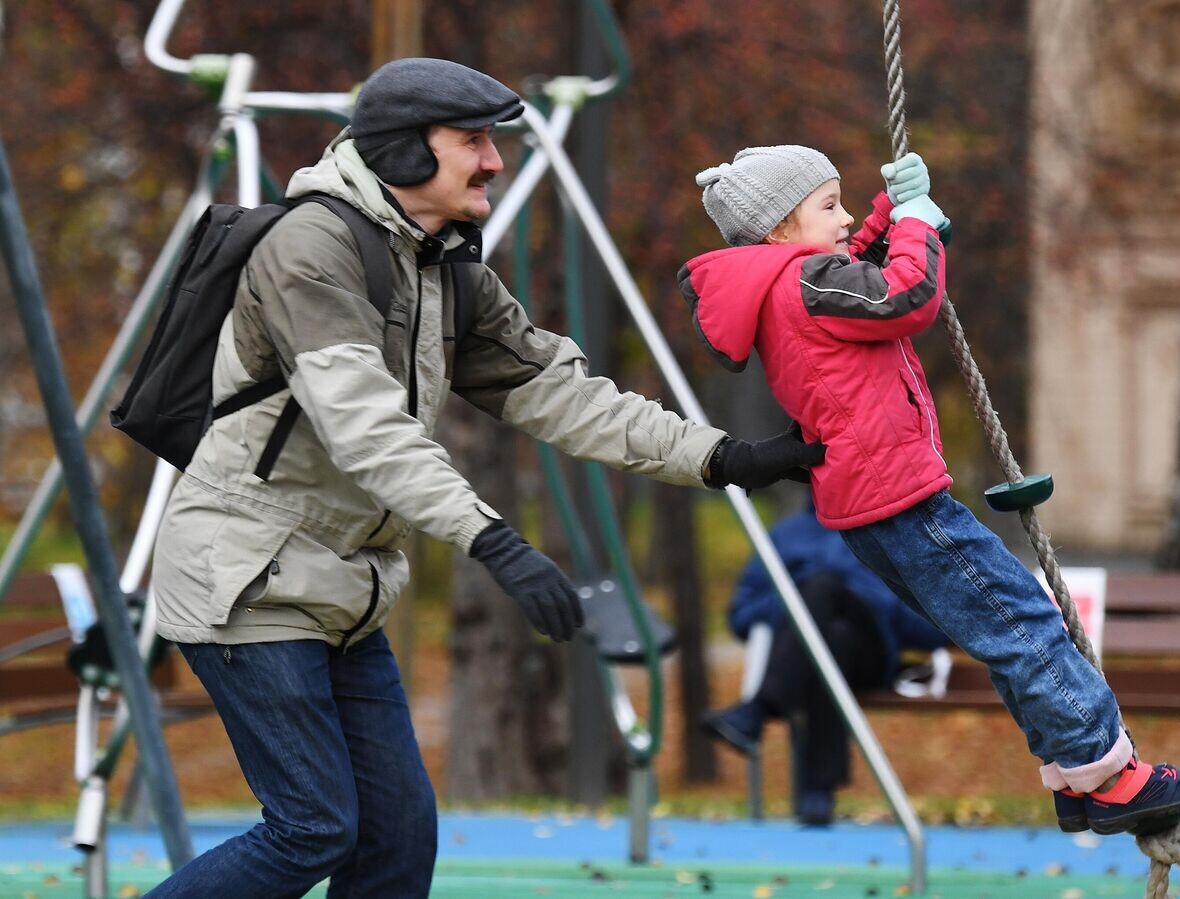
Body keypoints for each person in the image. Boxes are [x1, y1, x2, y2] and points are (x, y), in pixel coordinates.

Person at [146, 60, 825, 899]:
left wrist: (724, 457)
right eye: (473, 141)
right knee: (313, 826)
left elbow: (560, 392)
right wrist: (496, 542)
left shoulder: (442, 267)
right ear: (404, 151)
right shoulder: (311, 249)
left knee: (398, 842)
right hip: (247, 578)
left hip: (342, 587)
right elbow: (365, 428)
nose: (495, 161)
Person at [678, 145, 1180, 838]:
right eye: (829, 206)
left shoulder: (784, 286)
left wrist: (889, 212)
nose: (846, 218)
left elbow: (858, 268)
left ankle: (1080, 779)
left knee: (1001, 631)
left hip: (867, 506)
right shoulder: (806, 282)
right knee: (1023, 620)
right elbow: (906, 296)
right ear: (779, 229)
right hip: (900, 496)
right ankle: (1110, 775)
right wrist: (918, 225)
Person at [701, 504, 949, 825]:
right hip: (817, 653)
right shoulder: (786, 534)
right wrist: (796, 597)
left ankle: (759, 709)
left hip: (871, 655)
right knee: (831, 632)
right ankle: (818, 792)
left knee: (824, 588)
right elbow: (741, 616)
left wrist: (869, 592)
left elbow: (936, 628)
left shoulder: (890, 530)